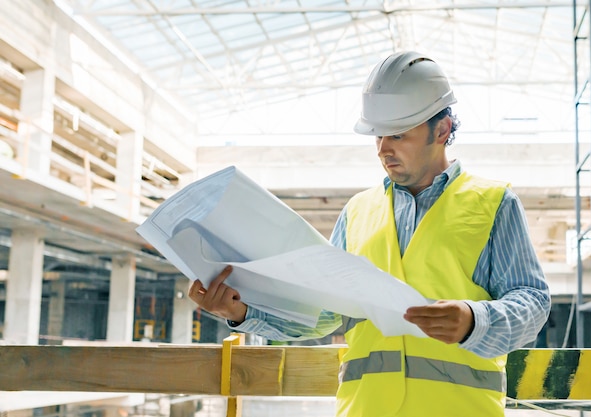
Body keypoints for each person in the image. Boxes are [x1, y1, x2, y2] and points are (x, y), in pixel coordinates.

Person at [188, 51, 551, 417]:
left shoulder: (494, 204)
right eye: (378, 135)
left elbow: (533, 302)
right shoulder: (358, 211)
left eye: (397, 134)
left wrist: (475, 321)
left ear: (441, 131)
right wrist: (242, 310)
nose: (382, 149)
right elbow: (325, 314)